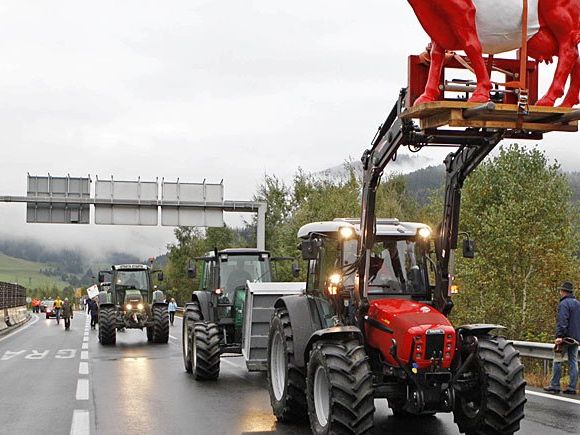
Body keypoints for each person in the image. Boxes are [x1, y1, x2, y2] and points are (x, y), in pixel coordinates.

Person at [544, 281, 580, 395]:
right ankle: (572, 387)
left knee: (558, 360)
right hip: (576, 338)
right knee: (573, 362)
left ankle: (554, 385)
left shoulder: (564, 304)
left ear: (563, 291)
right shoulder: (578, 304)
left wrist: (559, 336)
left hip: (565, 338)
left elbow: (562, 321)